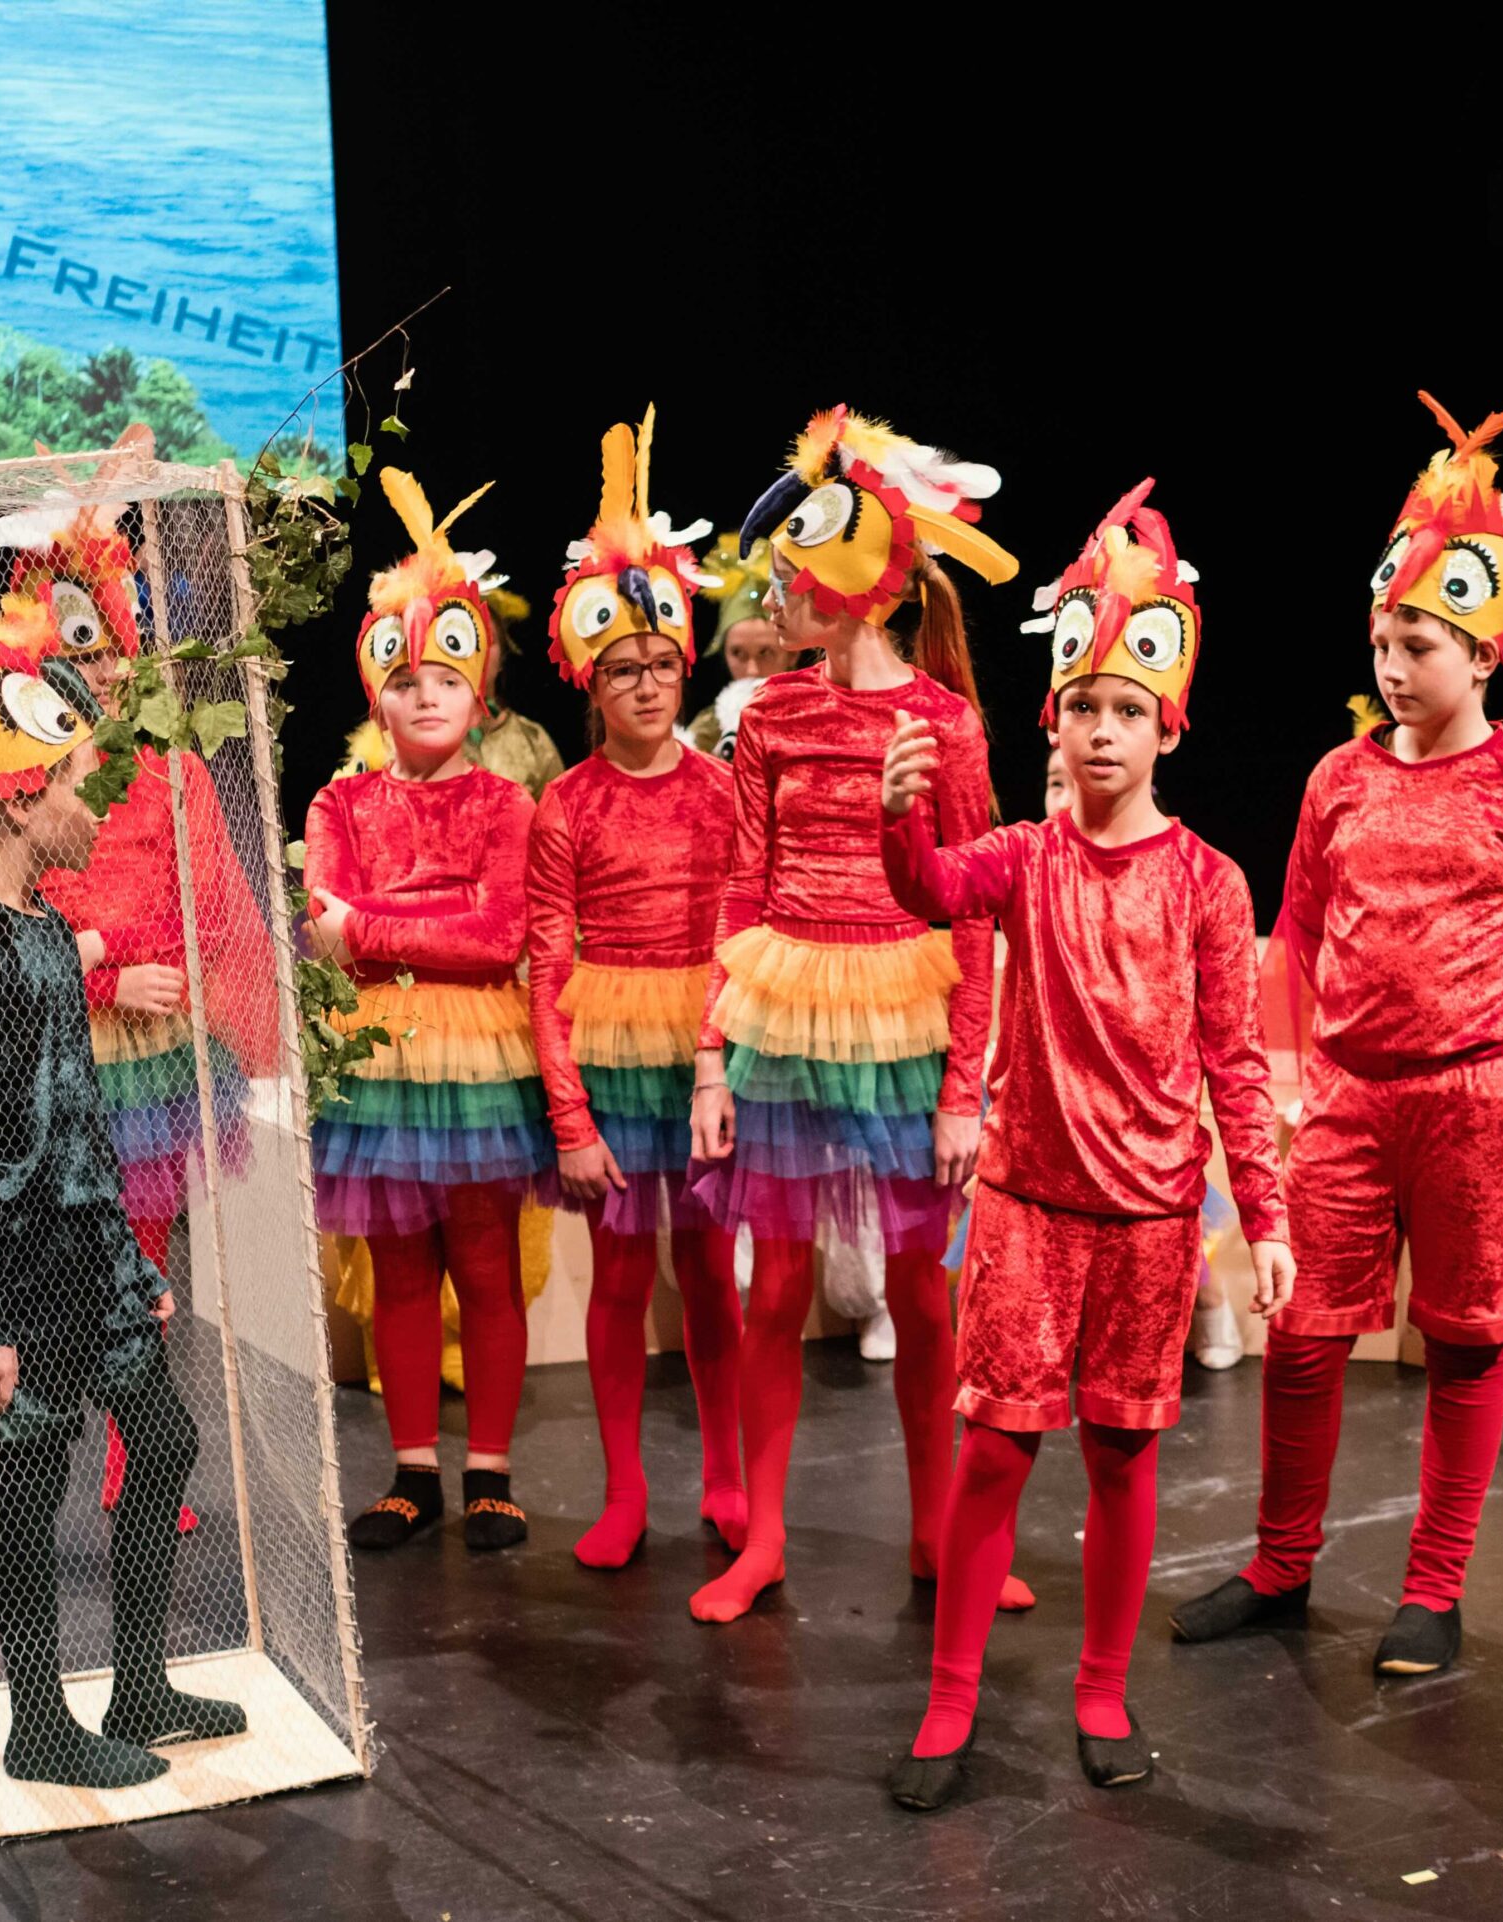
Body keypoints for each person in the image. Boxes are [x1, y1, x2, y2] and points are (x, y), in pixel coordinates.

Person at [1173, 393, 1503, 1677]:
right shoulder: (1337, 776)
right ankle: (1280, 1562)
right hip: (1351, 1096)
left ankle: (1434, 1587)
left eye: (1416, 642)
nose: (1390, 662)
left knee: (1465, 1341)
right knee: (1305, 1333)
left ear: (1481, 654)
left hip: (1478, 1101)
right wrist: (1298, 1070)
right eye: (1380, 639)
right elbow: (1302, 929)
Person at [877, 481, 1293, 1810]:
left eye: (1127, 708)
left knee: (1123, 1456)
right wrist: (898, 816)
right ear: (1052, 718)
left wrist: (1266, 1217)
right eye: (1083, 707)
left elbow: (1235, 1060)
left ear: (1167, 723)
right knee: (995, 1452)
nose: (1103, 729)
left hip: (1152, 1218)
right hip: (1027, 1207)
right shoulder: (1021, 855)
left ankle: (1102, 1687)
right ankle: (950, 1701)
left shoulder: (1210, 880)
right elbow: (931, 890)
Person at [687, 404, 1027, 1624]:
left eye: (800, 575)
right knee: (774, 1286)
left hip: (903, 1019)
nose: (780, 591)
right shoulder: (769, 714)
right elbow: (740, 882)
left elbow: (974, 909)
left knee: (922, 1292)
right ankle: (767, 1536)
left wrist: (962, 1089)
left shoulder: (945, 722)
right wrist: (712, 1056)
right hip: (784, 1011)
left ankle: (938, 1531)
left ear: (863, 589)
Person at [0, 617, 241, 1789]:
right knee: (34, 1480)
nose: (97, 806)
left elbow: (76, 1117)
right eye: (76, 783)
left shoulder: (44, 930)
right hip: (22, 1276)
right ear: (14, 795)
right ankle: (41, 1720)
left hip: (88, 1256)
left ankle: (139, 1681)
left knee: (166, 1438)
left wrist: (132, 1266)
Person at [307, 468, 552, 1553]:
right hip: (378, 1058)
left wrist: (371, 925)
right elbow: (320, 927)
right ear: (377, 693)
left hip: (482, 1057)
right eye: (403, 679)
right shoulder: (340, 800)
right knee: (399, 1267)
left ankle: (490, 1468)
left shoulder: (506, 803)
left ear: (479, 689)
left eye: (446, 676)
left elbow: (498, 937)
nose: (424, 696)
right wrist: (383, 925)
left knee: (484, 1262)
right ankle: (413, 1469)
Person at [529, 408, 747, 1568]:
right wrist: (569, 1116)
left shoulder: (722, 792)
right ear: (591, 679)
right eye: (625, 669)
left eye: (662, 664)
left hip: (705, 1050)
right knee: (621, 1269)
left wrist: (723, 1055)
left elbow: (740, 930)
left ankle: (728, 1477)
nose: (649, 684)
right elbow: (546, 963)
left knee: (708, 1268)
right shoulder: (564, 805)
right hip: (610, 1051)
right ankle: (623, 1492)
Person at [690, 531, 795, 757]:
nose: (752, 670)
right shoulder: (705, 733)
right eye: (738, 654)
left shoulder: (815, 716)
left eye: (765, 653)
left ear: (792, 654)